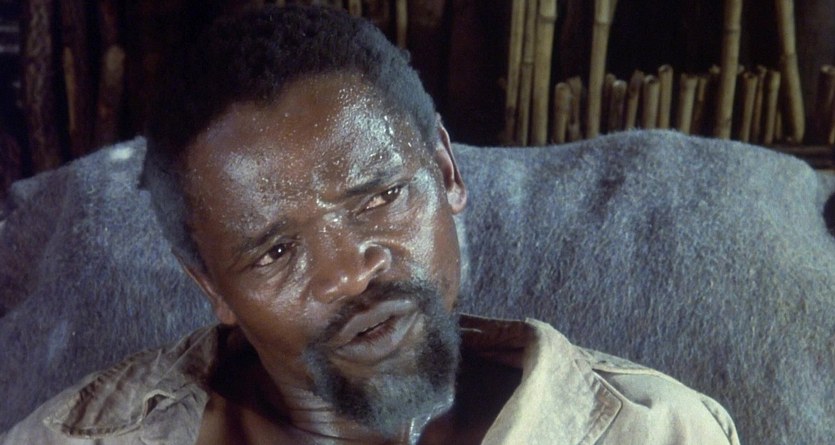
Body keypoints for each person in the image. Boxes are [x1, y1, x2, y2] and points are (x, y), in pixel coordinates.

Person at [1, 5, 739, 444]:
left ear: (446, 172)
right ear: (213, 287)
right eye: (276, 251)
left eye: (379, 197)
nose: (349, 272)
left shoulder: (657, 432)